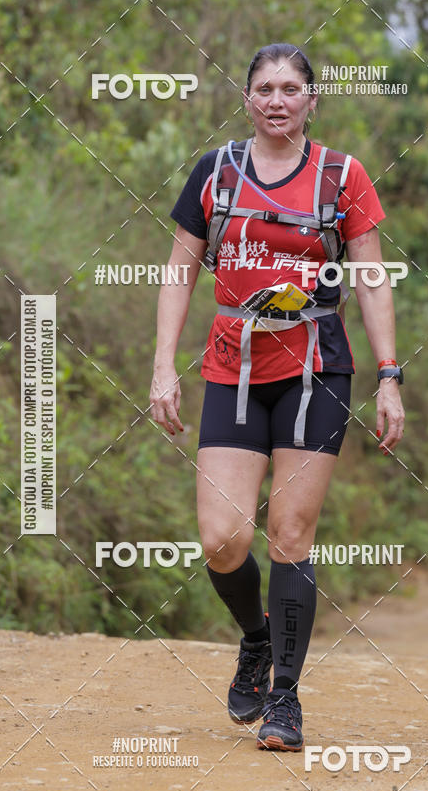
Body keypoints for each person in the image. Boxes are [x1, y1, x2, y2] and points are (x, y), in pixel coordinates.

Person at [149, 43, 404, 752]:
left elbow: (373, 278)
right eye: (264, 87)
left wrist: (390, 374)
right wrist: (163, 366)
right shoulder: (216, 172)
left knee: (291, 532)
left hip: (317, 367)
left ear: (312, 101)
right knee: (223, 540)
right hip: (232, 367)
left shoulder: (341, 177)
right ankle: (256, 641)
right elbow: (179, 270)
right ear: (247, 97)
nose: (277, 99)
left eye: (292, 87)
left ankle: (285, 700)